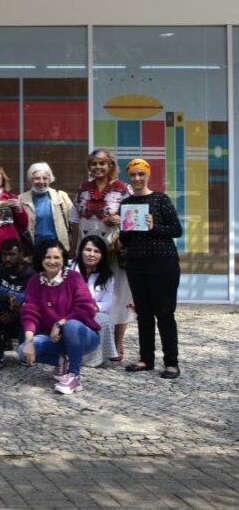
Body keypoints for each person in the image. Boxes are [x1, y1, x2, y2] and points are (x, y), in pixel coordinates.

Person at [119, 158, 183, 379]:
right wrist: (124, 226)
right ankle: (146, 359)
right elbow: (125, 241)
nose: (137, 178)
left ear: (148, 175)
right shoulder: (126, 204)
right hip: (137, 264)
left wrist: (153, 226)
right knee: (144, 314)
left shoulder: (160, 199)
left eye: (141, 174)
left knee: (164, 314)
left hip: (163, 263)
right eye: (133, 175)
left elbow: (177, 230)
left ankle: (171, 363)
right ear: (129, 177)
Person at [71, 148, 133, 362]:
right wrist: (73, 251)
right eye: (94, 164)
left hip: (114, 249)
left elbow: (134, 219)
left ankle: (117, 343)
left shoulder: (123, 189)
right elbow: (75, 222)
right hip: (88, 249)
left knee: (118, 294)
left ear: (110, 166)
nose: (98, 167)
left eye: (102, 163)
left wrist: (120, 220)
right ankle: (91, 340)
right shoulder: (82, 190)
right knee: (90, 293)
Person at [18, 240, 101, 395]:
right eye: (48, 257)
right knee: (23, 351)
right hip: (53, 338)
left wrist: (61, 322)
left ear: (63, 259)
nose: (52, 262)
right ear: (41, 259)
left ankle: (74, 376)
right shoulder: (35, 282)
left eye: (57, 258)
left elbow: (86, 308)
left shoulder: (74, 278)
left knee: (72, 326)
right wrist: (29, 341)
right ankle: (62, 360)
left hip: (83, 335)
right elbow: (30, 313)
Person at [0, 239, 34, 371]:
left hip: (23, 319)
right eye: (4, 254)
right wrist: (3, 297)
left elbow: (36, 304)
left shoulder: (31, 274)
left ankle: (26, 350)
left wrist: (16, 314)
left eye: (12, 254)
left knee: (28, 312)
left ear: (21, 254)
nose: (7, 258)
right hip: (2, 316)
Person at [72, 235, 119, 367]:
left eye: (97, 251)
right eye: (88, 250)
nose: (91, 254)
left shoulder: (107, 276)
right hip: (70, 311)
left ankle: (94, 359)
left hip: (93, 311)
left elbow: (108, 303)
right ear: (81, 251)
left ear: (102, 255)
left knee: (105, 320)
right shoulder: (68, 269)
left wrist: (94, 307)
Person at [18, 162, 73, 251]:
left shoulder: (61, 196)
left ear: (49, 179)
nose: (41, 182)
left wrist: (73, 247)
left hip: (58, 248)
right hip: (33, 249)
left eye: (45, 178)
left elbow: (73, 223)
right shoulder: (21, 199)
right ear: (31, 180)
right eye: (37, 178)